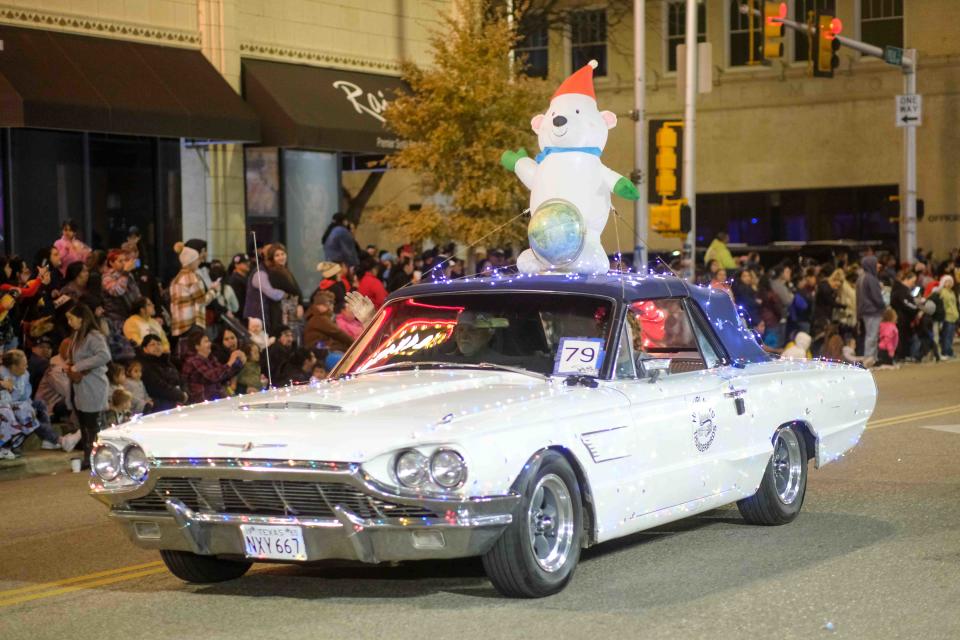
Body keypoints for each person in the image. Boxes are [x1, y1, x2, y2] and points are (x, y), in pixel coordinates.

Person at [65, 303, 111, 468]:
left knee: (92, 424)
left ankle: (96, 458)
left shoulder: (94, 335)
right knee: (84, 424)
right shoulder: (77, 336)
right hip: (80, 385)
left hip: (93, 384)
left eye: (71, 318)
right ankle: (88, 457)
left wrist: (79, 366)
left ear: (81, 318)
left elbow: (104, 355)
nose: (69, 322)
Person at [169, 242, 218, 342]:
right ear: (191, 262)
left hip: (179, 325)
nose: (199, 261)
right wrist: (214, 290)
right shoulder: (192, 277)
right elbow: (202, 300)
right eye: (197, 259)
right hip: (192, 323)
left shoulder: (176, 279)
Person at [181, 333, 245, 403]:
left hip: (214, 398)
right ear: (197, 346)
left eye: (209, 341)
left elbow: (223, 375)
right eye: (206, 341)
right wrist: (230, 362)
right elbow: (213, 376)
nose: (210, 344)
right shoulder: (192, 360)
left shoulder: (210, 358)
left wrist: (239, 364)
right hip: (201, 401)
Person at [138, 334, 187, 412]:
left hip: (176, 399)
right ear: (145, 349)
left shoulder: (167, 362)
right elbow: (158, 386)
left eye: (159, 344)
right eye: (152, 344)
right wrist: (180, 395)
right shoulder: (145, 366)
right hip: (160, 404)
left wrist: (184, 392)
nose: (157, 347)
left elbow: (180, 379)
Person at [304, 290, 354, 356]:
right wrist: (355, 343)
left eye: (332, 303)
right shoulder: (319, 318)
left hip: (323, 349)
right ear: (319, 305)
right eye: (329, 303)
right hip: (319, 352)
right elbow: (338, 333)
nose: (331, 306)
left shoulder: (319, 317)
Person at [857, 255, 885, 363]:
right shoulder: (871, 279)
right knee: (872, 336)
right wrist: (883, 306)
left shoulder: (861, 278)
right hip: (873, 312)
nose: (878, 265)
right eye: (876, 263)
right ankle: (869, 358)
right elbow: (876, 297)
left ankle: (871, 358)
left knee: (870, 335)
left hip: (865, 312)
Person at [890, 269, 920, 361]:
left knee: (904, 338)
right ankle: (900, 356)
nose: (913, 284)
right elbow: (906, 304)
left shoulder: (902, 290)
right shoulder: (901, 290)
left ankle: (903, 355)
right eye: (912, 281)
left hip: (904, 318)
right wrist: (916, 308)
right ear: (906, 279)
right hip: (901, 318)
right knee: (901, 338)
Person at [937, 275, 957, 358]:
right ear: (943, 283)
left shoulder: (952, 292)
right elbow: (942, 305)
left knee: (951, 336)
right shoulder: (942, 292)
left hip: (954, 317)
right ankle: (946, 352)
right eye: (947, 282)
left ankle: (949, 351)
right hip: (947, 317)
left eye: (950, 282)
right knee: (946, 335)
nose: (949, 283)